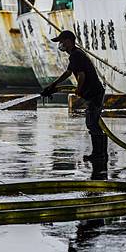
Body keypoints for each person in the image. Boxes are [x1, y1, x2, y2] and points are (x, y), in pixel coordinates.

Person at [41, 30, 107, 160]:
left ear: (68, 41)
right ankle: (100, 154)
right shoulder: (75, 55)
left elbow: (81, 75)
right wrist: (53, 85)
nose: (60, 44)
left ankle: (99, 155)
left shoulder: (76, 55)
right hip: (94, 92)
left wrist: (78, 89)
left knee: (92, 124)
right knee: (93, 123)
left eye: (61, 41)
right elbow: (68, 72)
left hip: (94, 93)